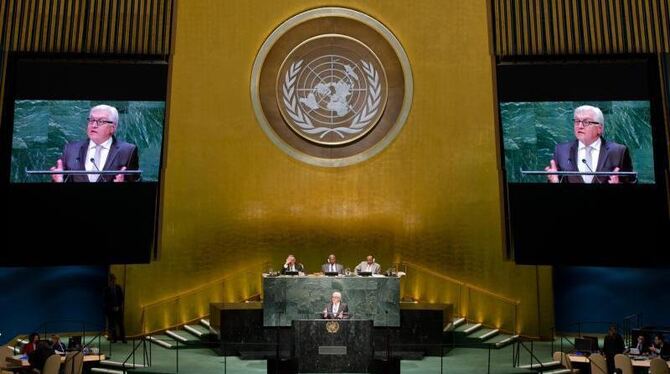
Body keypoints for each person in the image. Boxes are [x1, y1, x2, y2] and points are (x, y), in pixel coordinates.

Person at [544, 105, 634, 184]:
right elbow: (556, 179)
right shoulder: (561, 150)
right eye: (577, 121)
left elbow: (632, 181)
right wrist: (554, 181)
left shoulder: (618, 152)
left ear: (599, 128)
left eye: (586, 122)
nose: (580, 126)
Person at [50, 104, 140, 183]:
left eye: (101, 121)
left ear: (112, 128)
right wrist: (59, 181)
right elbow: (62, 178)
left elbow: (136, 180)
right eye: (91, 120)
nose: (94, 125)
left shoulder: (127, 151)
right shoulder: (71, 149)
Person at [103, 273, 127, 343]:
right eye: (112, 280)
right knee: (112, 325)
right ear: (109, 281)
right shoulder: (106, 289)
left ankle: (123, 338)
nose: (113, 281)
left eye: (114, 280)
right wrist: (112, 307)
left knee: (121, 324)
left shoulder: (118, 287)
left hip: (118, 309)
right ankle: (114, 338)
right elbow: (105, 300)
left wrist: (118, 306)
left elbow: (122, 298)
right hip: (110, 311)